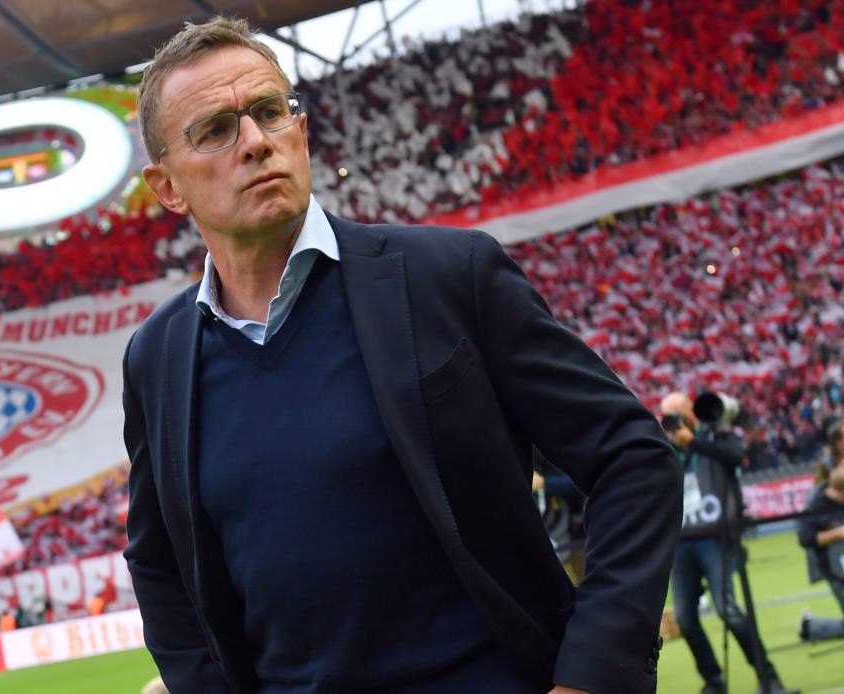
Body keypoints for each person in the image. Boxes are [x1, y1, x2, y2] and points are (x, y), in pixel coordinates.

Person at [123, 17, 682, 694]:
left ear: (301, 132)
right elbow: (159, 564)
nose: (256, 142)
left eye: (269, 112)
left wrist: (592, 674)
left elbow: (632, 457)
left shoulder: (450, 275)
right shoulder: (157, 358)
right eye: (215, 130)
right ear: (167, 187)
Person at [660, 392, 796, 694]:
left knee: (728, 610)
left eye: (679, 414)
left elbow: (735, 456)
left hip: (715, 537)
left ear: (691, 413)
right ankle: (713, 680)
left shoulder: (715, 436)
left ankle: (768, 677)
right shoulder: (663, 449)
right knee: (684, 618)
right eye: (668, 417)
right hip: (680, 542)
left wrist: (692, 442)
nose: (675, 422)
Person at [796, 465, 844, 640]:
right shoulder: (816, 506)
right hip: (835, 569)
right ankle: (810, 627)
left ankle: (810, 627)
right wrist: (838, 533)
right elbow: (805, 538)